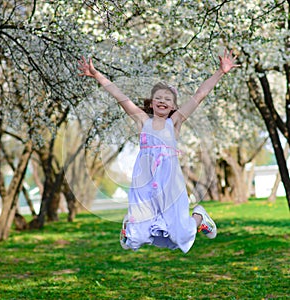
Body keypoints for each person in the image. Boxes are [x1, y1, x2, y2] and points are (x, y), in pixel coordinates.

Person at [78, 50, 239, 253]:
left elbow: (200, 95)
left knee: (180, 235)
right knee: (137, 238)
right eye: (158, 98)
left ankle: (199, 217)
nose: (163, 101)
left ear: (173, 105)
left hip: (169, 180)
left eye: (168, 99)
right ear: (151, 102)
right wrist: (96, 75)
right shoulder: (142, 120)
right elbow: (119, 96)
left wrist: (220, 72)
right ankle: (130, 227)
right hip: (144, 178)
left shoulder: (175, 121)